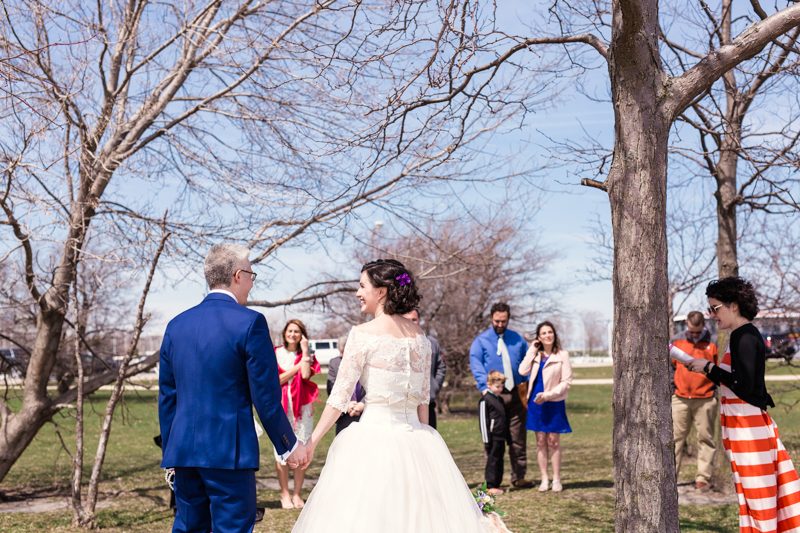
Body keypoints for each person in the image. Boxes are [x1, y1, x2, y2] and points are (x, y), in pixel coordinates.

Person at [292, 259, 503, 532]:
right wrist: (426, 444)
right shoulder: (420, 336)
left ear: (380, 291)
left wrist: (312, 441)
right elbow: (422, 402)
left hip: (372, 441)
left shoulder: (362, 334)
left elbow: (339, 398)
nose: (358, 293)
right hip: (419, 440)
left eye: (362, 286)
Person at [158, 243, 308, 533]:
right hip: (230, 453)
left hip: (184, 453)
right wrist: (288, 445)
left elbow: (168, 397)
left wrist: (171, 451)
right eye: (252, 274)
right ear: (238, 275)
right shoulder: (250, 322)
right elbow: (265, 396)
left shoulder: (176, 325)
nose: (252, 282)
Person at [686, 277, 800, 532]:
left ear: (733, 305)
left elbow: (745, 385)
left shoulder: (745, 336)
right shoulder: (740, 335)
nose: (712, 315)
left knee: (760, 499)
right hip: (744, 429)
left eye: (715, 308)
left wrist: (709, 368)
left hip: (749, 430)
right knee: (753, 498)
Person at [469, 302, 534, 489]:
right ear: (491, 318)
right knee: (494, 440)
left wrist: (528, 383)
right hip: (494, 396)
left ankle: (519, 477)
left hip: (516, 394)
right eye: (497, 321)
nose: (500, 324)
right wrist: (484, 388)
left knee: (518, 439)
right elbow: (476, 364)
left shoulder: (517, 339)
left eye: (503, 321)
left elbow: (526, 362)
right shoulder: (481, 341)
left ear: (508, 319)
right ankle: (492, 481)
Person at [518, 321, 572, 493]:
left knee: (553, 442)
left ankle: (556, 479)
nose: (548, 335)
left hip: (553, 402)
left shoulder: (562, 355)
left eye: (550, 332)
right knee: (541, 441)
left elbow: (566, 382)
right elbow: (522, 371)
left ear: (554, 334)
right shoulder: (535, 355)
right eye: (544, 333)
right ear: (539, 337)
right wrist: (532, 349)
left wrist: (548, 395)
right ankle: (544, 478)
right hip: (536, 403)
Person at [274, 319, 321, 509]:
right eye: (290, 331)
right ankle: (284, 493)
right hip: (281, 407)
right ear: (285, 332)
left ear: (302, 335)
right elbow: (277, 380)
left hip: (302, 409)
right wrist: (296, 366)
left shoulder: (306, 354)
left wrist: (305, 350)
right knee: (282, 451)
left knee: (301, 449)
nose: (293, 334)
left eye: (297, 331)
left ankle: (296, 494)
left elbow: (305, 375)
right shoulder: (276, 353)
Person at [671, 310, 718, 492]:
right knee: (675, 440)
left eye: (698, 332)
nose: (695, 335)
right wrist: (671, 388)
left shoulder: (712, 342)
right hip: (680, 398)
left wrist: (715, 391)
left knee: (705, 439)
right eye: (692, 331)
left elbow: (718, 369)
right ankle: (670, 477)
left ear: (703, 326)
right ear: (686, 326)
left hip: (706, 399)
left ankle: (703, 479)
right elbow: (670, 367)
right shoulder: (677, 341)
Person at [402, 308, 447, 429]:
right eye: (407, 319)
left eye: (414, 320)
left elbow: (441, 367)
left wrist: (434, 386)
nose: (411, 323)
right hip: (404, 406)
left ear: (419, 320)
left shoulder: (431, 343)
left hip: (427, 403)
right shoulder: (396, 342)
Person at [479, 371, 511, 496]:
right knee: (492, 460)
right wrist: (486, 439)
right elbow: (483, 421)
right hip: (492, 437)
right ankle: (490, 485)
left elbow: (504, 419)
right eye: (497, 386)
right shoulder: (485, 400)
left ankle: (497, 483)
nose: (500, 389)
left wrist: (507, 437)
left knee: (499, 460)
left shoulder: (499, 400)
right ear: (489, 384)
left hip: (500, 436)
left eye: (502, 386)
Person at [326, 334, 366, 434]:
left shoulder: (366, 364)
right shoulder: (334, 363)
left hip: (365, 414)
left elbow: (373, 387)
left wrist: (362, 404)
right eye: (342, 352)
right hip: (343, 414)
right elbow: (332, 387)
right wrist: (347, 405)